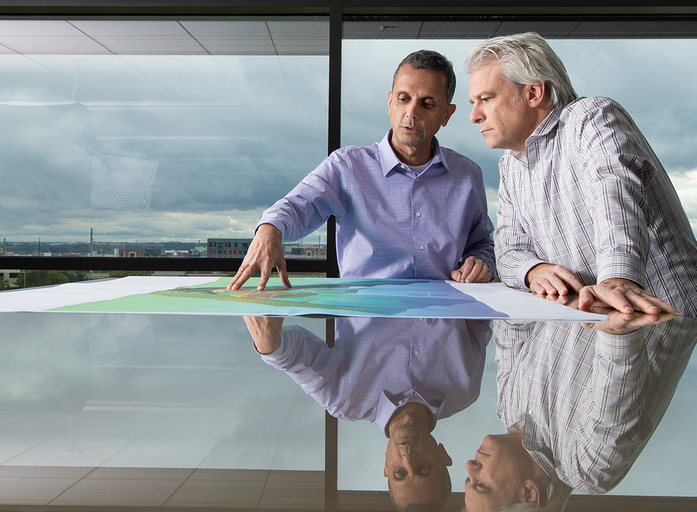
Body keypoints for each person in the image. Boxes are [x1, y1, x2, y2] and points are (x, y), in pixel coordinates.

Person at [465, 32, 697, 317]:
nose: (474, 116)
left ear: (534, 93)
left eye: (486, 99)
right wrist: (534, 270)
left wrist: (617, 280)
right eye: (473, 103)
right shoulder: (511, 163)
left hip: (667, 322)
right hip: (593, 325)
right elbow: (508, 251)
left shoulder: (591, 118)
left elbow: (615, 200)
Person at [229, 50, 495, 291]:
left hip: (445, 325)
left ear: (446, 115)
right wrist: (269, 229)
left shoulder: (468, 175)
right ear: (390, 102)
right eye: (403, 99)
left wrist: (482, 263)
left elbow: (483, 244)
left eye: (427, 103)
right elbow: (298, 205)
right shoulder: (347, 166)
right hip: (365, 326)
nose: (411, 113)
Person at [244, 315, 492, 511]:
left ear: (386, 465)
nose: (408, 457)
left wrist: (269, 345)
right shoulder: (465, 388)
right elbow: (481, 309)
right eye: (424, 468)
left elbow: (293, 359)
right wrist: (480, 265)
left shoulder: (345, 398)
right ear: (442, 455)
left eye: (399, 473)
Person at [464, 309, 691, 512]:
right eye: (482, 484)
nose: (469, 467)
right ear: (529, 493)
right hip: (655, 280)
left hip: (587, 271)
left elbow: (514, 316)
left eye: (468, 479)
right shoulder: (589, 469)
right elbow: (618, 341)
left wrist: (535, 274)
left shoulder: (508, 411)